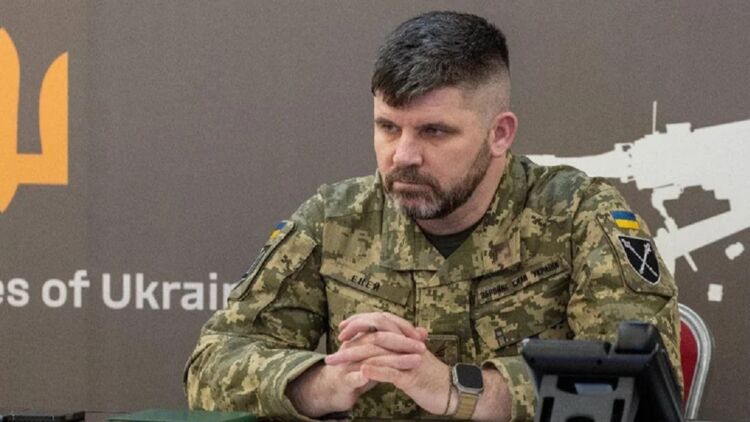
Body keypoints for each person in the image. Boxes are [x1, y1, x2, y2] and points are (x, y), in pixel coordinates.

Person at [184, 11, 682, 421]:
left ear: (499, 134)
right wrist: (325, 382)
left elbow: (640, 390)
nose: (403, 155)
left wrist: (459, 389)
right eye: (387, 127)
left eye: (434, 132)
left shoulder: (578, 216)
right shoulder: (335, 218)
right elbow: (212, 363)